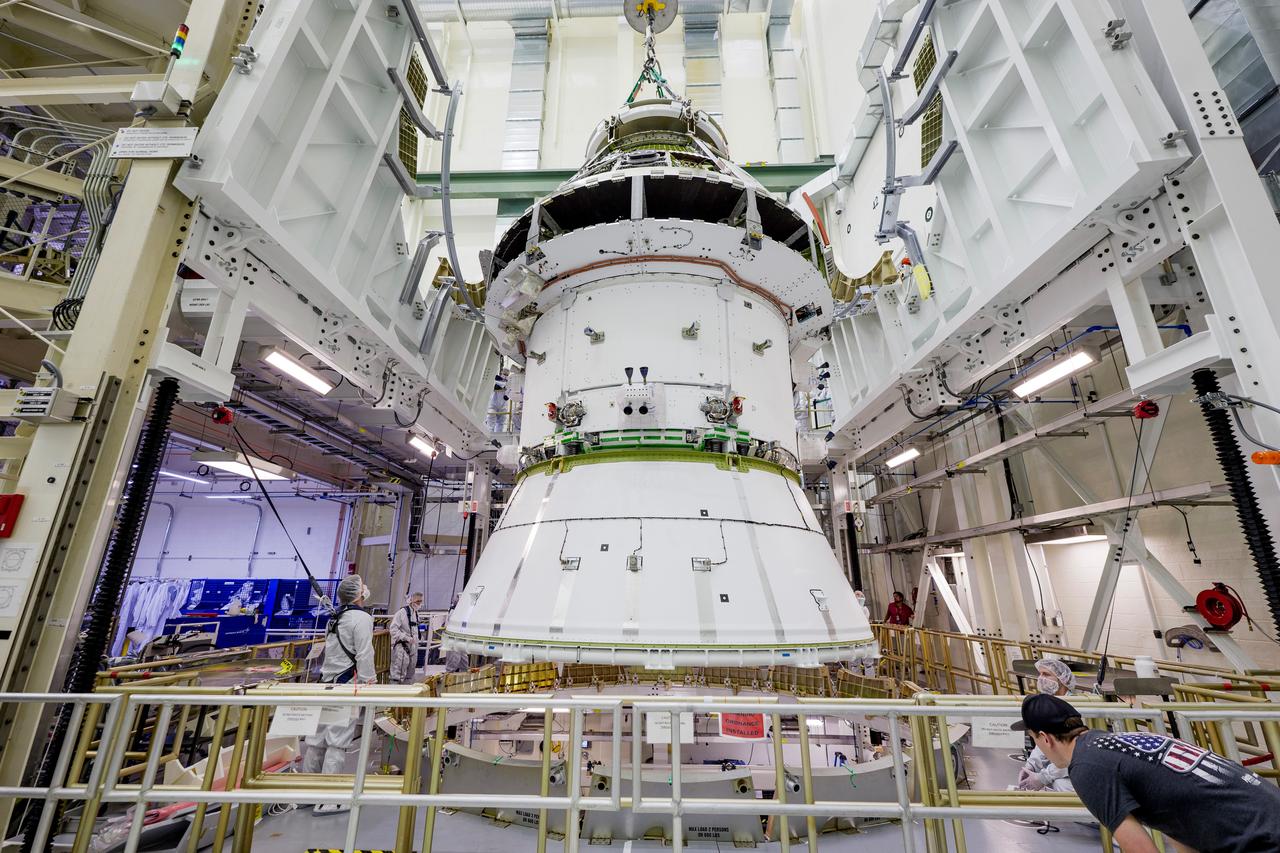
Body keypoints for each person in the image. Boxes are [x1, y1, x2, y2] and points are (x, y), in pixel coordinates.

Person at [1015, 693, 1280, 852]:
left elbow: (1141, 848)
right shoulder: (1116, 742)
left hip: (1259, 838)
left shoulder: (1086, 768)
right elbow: (1175, 819)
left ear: (1044, 738)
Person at [303, 575, 376, 813]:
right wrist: (369, 683)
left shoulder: (336, 617)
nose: (365, 588)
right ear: (357, 594)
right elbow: (364, 653)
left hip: (326, 682)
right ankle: (327, 799)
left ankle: (304, 792)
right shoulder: (361, 618)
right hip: (346, 685)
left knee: (317, 740)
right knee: (337, 742)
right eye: (363, 585)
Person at [1017, 658, 1077, 793]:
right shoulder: (1051, 703)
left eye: (1046, 674)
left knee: (1061, 785)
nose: (1040, 678)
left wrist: (1044, 776)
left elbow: (1073, 755)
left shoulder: (1076, 709)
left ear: (1062, 679)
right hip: (1063, 766)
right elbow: (1043, 742)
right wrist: (1030, 766)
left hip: (1078, 768)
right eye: (1040, 674)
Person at [390, 590, 423, 684]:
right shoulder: (402, 613)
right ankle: (394, 694)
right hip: (402, 648)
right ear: (411, 600)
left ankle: (407, 696)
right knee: (397, 677)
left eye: (421, 601)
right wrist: (406, 638)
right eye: (417, 601)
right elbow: (393, 629)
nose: (419, 604)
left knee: (409, 676)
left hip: (413, 648)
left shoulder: (415, 613)